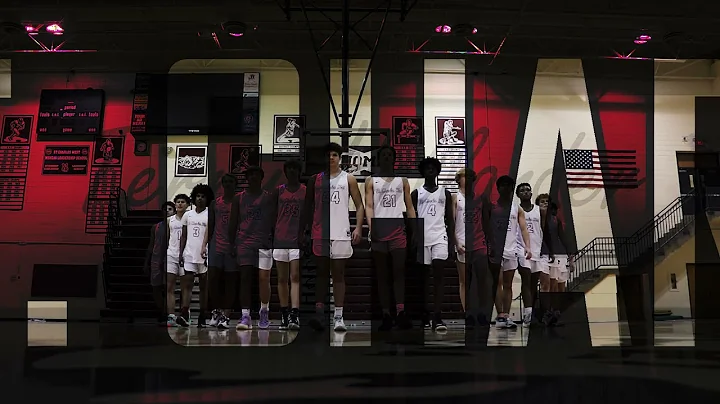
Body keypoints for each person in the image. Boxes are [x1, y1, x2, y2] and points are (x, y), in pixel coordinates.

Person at [299, 142, 365, 332]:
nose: (331, 157)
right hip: (320, 232)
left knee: (338, 275)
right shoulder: (314, 180)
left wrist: (358, 228)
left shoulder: (349, 179)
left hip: (341, 232)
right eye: (328, 154)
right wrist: (303, 230)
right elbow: (307, 207)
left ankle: (338, 316)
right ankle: (319, 314)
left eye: (334, 154)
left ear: (340, 157)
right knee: (320, 274)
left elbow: (359, 205)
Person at [365, 145, 416, 330]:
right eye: (383, 155)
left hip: (397, 230)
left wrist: (415, 229)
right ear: (379, 159)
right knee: (382, 275)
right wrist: (372, 228)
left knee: (398, 273)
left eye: (389, 155)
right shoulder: (371, 180)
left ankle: (401, 311)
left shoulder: (402, 180)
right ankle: (386, 314)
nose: (387, 157)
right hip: (379, 229)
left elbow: (409, 207)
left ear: (394, 159)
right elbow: (369, 206)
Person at [229, 166, 275, 330]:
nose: (253, 177)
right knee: (245, 279)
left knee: (264, 279)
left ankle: (264, 312)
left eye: (256, 174)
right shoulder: (238, 198)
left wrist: (273, 240)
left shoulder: (269, 197)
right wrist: (231, 244)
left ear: (261, 177)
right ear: (246, 178)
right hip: (244, 242)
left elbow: (275, 220)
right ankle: (245, 315)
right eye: (250, 175)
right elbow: (233, 222)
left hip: (264, 243)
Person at [411, 157, 454, 332]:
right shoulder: (416, 193)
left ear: (437, 171)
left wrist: (451, 241)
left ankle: (437, 316)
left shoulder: (445, 193)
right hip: (422, 238)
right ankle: (424, 314)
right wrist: (414, 236)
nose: (430, 170)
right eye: (427, 168)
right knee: (423, 279)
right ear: (423, 172)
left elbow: (450, 219)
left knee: (438, 276)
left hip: (439, 236)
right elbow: (411, 218)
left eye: (433, 168)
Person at [488, 176, 531, 329]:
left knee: (508, 284)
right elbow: (486, 228)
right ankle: (499, 316)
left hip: (512, 249)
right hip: (496, 250)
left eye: (509, 185)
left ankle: (506, 315)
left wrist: (527, 246)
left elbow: (524, 229)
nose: (506, 188)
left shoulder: (516, 208)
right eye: (503, 185)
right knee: (497, 283)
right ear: (498, 188)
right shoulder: (492, 206)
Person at [453, 168, 493, 329]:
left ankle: (482, 312)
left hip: (479, 243)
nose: (468, 179)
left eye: (470, 177)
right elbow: (451, 221)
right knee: (464, 281)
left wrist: (489, 243)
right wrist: (456, 242)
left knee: (482, 280)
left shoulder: (480, 198)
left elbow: (486, 222)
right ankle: (467, 313)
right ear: (458, 179)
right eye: (465, 177)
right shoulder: (454, 198)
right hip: (462, 242)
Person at [273, 160, 305, 330]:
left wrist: (304, 234)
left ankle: (295, 313)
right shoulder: (279, 191)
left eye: (295, 168)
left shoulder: (305, 191)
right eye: (289, 168)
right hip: (279, 238)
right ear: (285, 171)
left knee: (295, 277)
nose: (292, 171)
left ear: (299, 171)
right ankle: (284, 313)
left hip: (296, 240)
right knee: (282, 279)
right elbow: (272, 215)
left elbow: (308, 214)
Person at [516, 183, 550, 328]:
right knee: (526, 279)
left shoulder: (539, 210)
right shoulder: (515, 210)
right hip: (521, 249)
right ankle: (527, 315)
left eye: (527, 190)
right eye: (522, 190)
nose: (525, 192)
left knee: (533, 284)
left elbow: (544, 229)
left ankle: (533, 312)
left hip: (537, 250)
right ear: (518, 194)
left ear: (531, 193)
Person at [206, 174, 238, 329]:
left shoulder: (239, 201)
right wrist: (206, 244)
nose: (227, 184)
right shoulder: (215, 203)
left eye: (230, 181)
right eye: (225, 181)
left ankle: (226, 316)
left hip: (233, 245)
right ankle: (216, 312)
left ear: (235, 184)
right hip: (216, 245)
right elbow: (210, 225)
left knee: (230, 282)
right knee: (212, 279)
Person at [180, 184, 213, 327]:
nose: (200, 199)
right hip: (189, 253)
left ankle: (202, 316)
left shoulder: (210, 214)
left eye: (203, 196)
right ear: (194, 198)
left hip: (204, 255)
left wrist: (205, 248)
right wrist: (181, 253)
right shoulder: (188, 215)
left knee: (203, 287)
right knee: (187, 285)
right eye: (198, 196)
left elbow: (210, 234)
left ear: (207, 199)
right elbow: (184, 235)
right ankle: (184, 313)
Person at [144, 201, 175, 325]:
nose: (167, 211)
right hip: (156, 259)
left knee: (169, 288)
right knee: (156, 288)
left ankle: (169, 313)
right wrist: (146, 262)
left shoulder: (177, 226)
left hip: (170, 259)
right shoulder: (155, 227)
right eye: (165, 209)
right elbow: (151, 245)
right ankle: (163, 311)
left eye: (170, 209)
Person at [166, 194, 191, 327]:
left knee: (185, 288)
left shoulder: (191, 219)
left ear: (187, 204)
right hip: (171, 255)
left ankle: (185, 315)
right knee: (169, 286)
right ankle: (171, 316)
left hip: (186, 256)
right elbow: (166, 238)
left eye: (183, 202)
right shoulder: (170, 220)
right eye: (178, 202)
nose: (180, 204)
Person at [545, 201, 574, 293]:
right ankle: (552, 306)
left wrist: (571, 258)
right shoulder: (545, 221)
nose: (555, 211)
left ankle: (559, 305)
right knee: (553, 283)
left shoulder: (557, 221)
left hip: (561, 254)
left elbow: (563, 238)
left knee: (561, 284)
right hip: (552, 255)